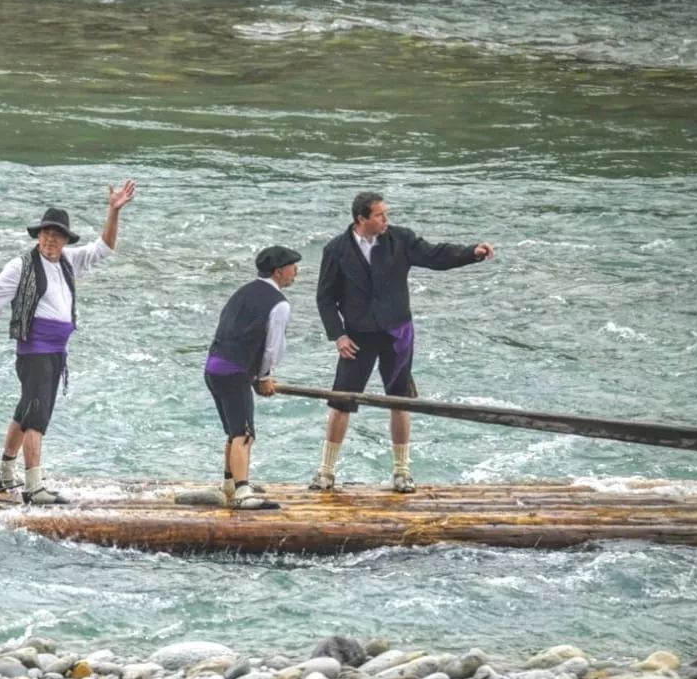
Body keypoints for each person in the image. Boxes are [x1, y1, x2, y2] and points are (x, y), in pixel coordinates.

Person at [312, 191, 494, 493]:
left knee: (400, 399)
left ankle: (401, 472)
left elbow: (435, 255)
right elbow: (325, 298)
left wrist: (471, 252)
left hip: (397, 333)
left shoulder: (401, 239)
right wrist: (338, 335)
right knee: (341, 401)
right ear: (362, 219)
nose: (387, 220)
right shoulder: (336, 250)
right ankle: (325, 472)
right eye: (380, 215)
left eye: (387, 214)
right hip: (357, 337)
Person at [0, 180, 137, 504]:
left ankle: (6, 473)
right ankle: (33, 486)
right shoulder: (20, 266)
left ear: (64, 239)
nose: (50, 239)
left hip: (57, 352)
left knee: (25, 410)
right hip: (34, 350)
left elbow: (103, 248)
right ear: (39, 236)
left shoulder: (67, 261)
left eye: (57, 235)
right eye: (46, 234)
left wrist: (113, 211)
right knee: (37, 413)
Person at [205, 246, 301, 510]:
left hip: (213, 367)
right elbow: (273, 347)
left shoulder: (242, 292)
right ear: (279, 271)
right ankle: (243, 491)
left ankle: (229, 484)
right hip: (235, 371)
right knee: (244, 434)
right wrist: (263, 377)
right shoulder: (279, 303)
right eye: (293, 267)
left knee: (234, 431)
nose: (297, 272)